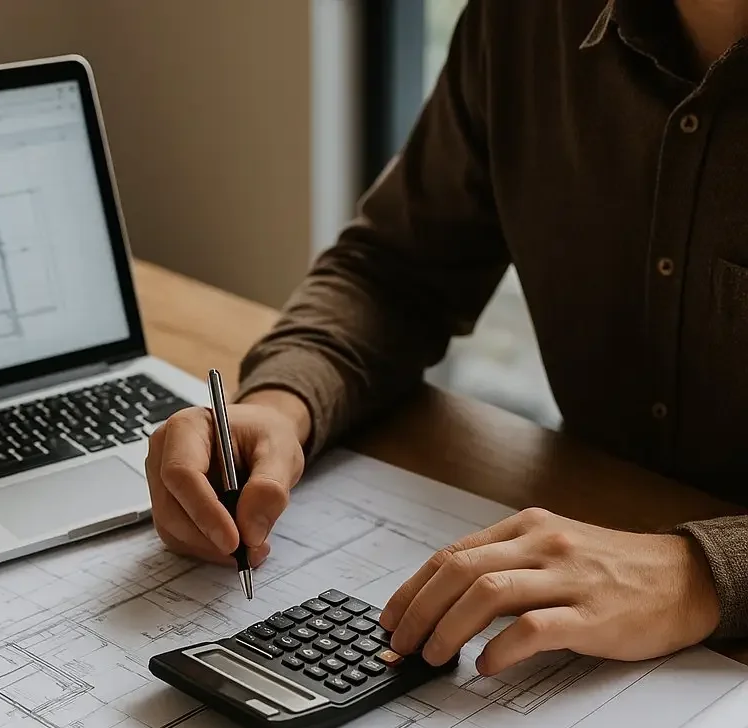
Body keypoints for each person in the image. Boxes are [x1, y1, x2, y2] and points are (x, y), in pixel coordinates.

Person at [145, 0, 748, 676]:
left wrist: (701, 572)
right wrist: (280, 406)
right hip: (580, 586)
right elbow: (397, 271)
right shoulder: (525, 20)